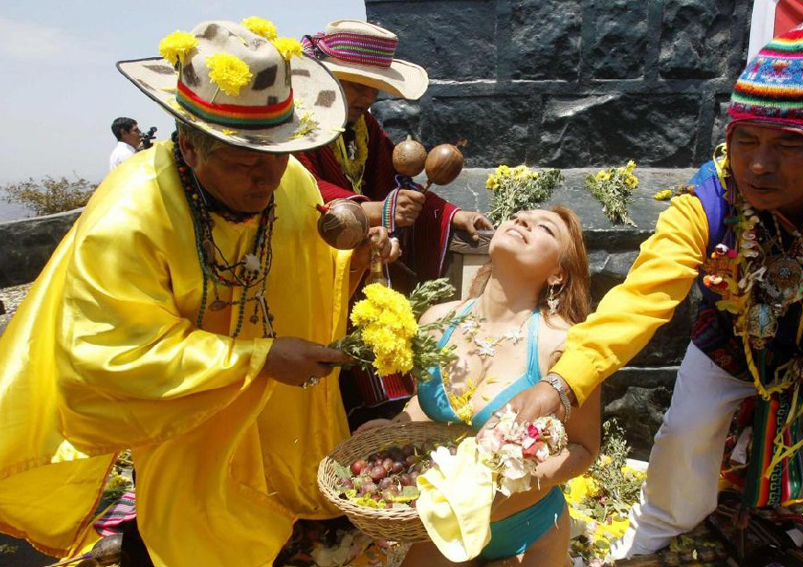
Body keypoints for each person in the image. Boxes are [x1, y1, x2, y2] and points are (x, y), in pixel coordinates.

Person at [0, 19, 395, 567]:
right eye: (244, 163)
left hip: (270, 405)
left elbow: (313, 268)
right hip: (181, 408)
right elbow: (114, 352)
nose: (267, 179)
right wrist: (257, 358)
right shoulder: (132, 214)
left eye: (279, 157)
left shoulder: (289, 181)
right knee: (187, 524)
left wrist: (359, 256)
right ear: (189, 146)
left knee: (270, 511)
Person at [502, 15, 803, 565]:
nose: (757, 164)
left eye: (787, 146)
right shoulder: (711, 198)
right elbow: (640, 296)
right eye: (745, 139)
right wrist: (562, 385)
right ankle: (653, 532)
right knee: (683, 437)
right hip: (733, 344)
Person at [360, 207, 601, 566]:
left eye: (544, 229)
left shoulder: (562, 345)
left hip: (526, 530)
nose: (523, 223)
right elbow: (421, 403)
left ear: (557, 274)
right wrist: (396, 428)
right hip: (442, 525)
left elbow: (584, 449)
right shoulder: (437, 321)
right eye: (519, 217)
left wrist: (508, 487)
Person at [293, 20, 494, 427]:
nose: (369, 97)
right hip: (310, 272)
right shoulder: (296, 127)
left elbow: (396, 185)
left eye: (374, 88)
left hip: (363, 261)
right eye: (358, 87)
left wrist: (456, 215)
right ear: (325, 77)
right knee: (322, 374)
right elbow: (299, 190)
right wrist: (376, 212)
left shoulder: (363, 128)